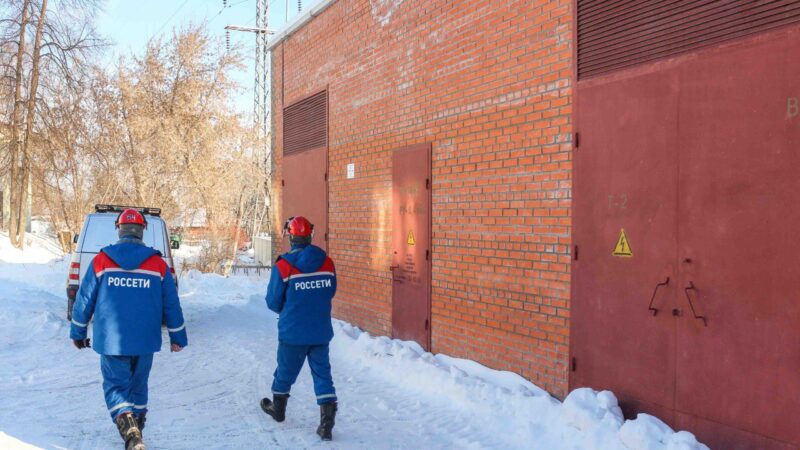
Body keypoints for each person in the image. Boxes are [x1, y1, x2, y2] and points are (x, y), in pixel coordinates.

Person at [70, 208, 188, 450]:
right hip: (145, 341)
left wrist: (78, 332)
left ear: (119, 229)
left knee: (115, 386)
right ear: (142, 231)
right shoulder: (157, 264)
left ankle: (130, 432)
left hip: (111, 341)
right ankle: (136, 432)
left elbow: (84, 300)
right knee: (138, 385)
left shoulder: (102, 260)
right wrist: (178, 336)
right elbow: (172, 303)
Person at [261, 215, 338, 440]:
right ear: (310, 235)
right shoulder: (327, 262)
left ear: (290, 236)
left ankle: (278, 410)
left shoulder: (284, 266)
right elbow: (330, 291)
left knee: (285, 371)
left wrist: (292, 308)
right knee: (323, 374)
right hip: (320, 331)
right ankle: (326, 424)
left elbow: (273, 301)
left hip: (293, 332)